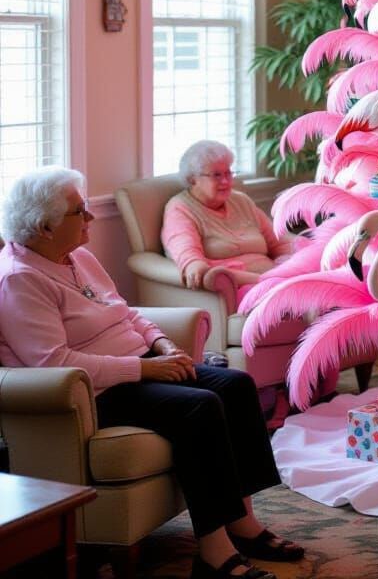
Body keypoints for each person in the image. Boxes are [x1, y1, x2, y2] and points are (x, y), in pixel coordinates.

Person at [0, 167, 305, 579]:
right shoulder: (20, 279)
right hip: (97, 392)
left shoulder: (78, 256)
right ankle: (213, 553)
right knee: (200, 407)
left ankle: (243, 523)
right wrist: (144, 368)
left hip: (141, 363)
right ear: (45, 226)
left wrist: (162, 345)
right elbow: (53, 362)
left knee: (235, 384)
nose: (90, 219)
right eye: (80, 212)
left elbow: (126, 313)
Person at [162, 141, 292, 292]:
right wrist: (192, 263)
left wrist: (292, 265)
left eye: (228, 173)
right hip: (242, 286)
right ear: (193, 179)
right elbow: (186, 252)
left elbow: (279, 242)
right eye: (216, 175)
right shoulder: (180, 209)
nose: (225, 181)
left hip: (273, 277)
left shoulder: (241, 200)